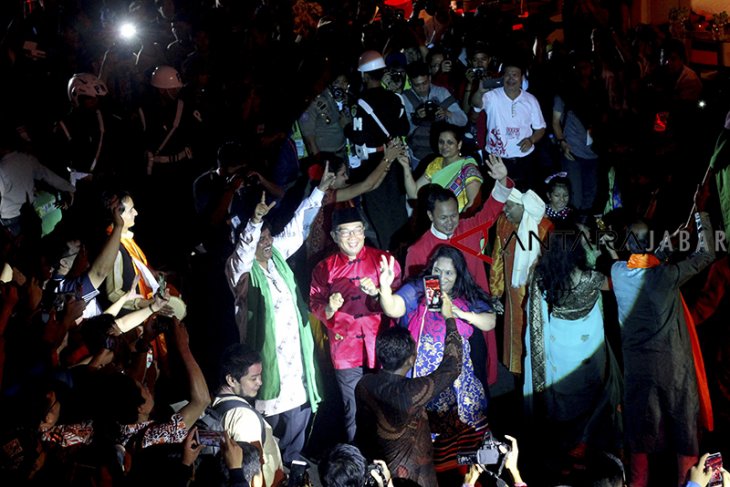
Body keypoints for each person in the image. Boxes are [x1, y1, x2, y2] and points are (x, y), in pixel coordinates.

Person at [225, 167, 335, 465]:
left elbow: (299, 226)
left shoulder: (276, 256)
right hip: (266, 367)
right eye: (259, 237)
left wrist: (320, 190)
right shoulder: (240, 271)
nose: (266, 241)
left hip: (294, 367)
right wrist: (255, 222)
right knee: (270, 442)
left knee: (298, 430)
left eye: (268, 235)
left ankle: (294, 470)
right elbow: (245, 252)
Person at [611, 211, 715, 487]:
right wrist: (701, 219)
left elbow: (645, 259)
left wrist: (661, 249)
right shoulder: (667, 275)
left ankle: (636, 483)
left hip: (638, 368)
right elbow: (706, 255)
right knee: (683, 420)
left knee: (639, 428)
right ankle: (687, 481)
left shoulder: (617, 273)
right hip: (673, 365)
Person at [376, 246, 495, 475]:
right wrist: (384, 287)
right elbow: (393, 308)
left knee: (464, 433)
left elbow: (489, 322)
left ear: (459, 275)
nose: (441, 277)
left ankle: (466, 475)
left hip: (458, 379)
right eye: (437, 270)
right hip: (424, 377)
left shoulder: (467, 295)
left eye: (449, 273)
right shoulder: (419, 289)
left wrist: (458, 314)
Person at [524, 225, 622, 479]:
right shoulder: (591, 278)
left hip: (559, 346)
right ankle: (586, 452)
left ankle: (565, 456)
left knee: (564, 402)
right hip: (589, 346)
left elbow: (535, 320)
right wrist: (611, 255)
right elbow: (618, 285)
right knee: (592, 400)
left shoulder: (542, 276)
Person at [405, 155, 511, 386]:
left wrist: (502, 180)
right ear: (430, 216)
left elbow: (491, 212)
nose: (451, 222)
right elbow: (413, 297)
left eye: (454, 215)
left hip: (476, 316)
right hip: (440, 327)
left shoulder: (468, 228)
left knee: (479, 373)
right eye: (443, 217)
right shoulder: (419, 250)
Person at [310, 207, 402, 442]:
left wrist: (380, 293)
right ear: (334, 236)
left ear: (364, 232)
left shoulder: (384, 261)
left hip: (381, 346)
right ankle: (358, 461)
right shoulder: (324, 268)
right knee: (353, 410)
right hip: (345, 350)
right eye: (345, 232)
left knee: (388, 404)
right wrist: (330, 307)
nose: (353, 237)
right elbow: (315, 303)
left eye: (357, 231)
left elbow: (401, 300)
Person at [355, 292, 463, 486]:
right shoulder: (411, 392)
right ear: (411, 359)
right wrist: (449, 319)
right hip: (412, 477)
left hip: (375, 471)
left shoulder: (364, 384)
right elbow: (452, 366)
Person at [346, 50, 410, 249]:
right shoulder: (395, 99)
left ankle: (388, 255)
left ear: (364, 75)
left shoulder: (360, 103)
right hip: (396, 161)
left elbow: (358, 136)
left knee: (380, 215)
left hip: (373, 165)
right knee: (399, 211)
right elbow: (404, 128)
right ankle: (403, 253)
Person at [490, 189, 553, 375]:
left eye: (509, 206)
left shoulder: (545, 228)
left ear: (522, 206)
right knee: (514, 331)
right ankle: (517, 370)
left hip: (537, 295)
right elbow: (497, 259)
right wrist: (495, 293)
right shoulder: (503, 222)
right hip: (512, 293)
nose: (505, 211)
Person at [213, 344, 285, 487]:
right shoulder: (244, 418)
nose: (260, 382)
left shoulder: (215, 403)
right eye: (253, 378)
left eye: (260, 376)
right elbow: (250, 472)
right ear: (231, 380)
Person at [471, 61, 546, 190]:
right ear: (502, 77)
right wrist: (480, 92)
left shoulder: (531, 100)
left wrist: (531, 140)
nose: (511, 78)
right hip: (495, 159)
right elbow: (475, 108)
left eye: (515, 75)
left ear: (522, 78)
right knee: (494, 198)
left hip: (523, 160)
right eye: (507, 75)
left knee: (521, 198)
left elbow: (540, 128)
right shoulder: (492, 96)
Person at [0, 132, 75, 237]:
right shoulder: (27, 159)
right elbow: (48, 175)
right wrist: (70, 188)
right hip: (30, 213)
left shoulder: (2, 169)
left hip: (11, 217)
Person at [401, 124, 483, 212]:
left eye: (450, 142)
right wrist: (406, 166)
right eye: (441, 142)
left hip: (458, 220)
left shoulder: (468, 167)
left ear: (459, 145)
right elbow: (413, 193)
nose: (444, 146)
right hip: (436, 219)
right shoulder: (436, 164)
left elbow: (473, 204)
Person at [401, 62, 467, 165]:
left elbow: (463, 120)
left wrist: (447, 114)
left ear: (430, 78)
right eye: (417, 85)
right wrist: (416, 118)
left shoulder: (442, 93)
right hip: (418, 155)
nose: (422, 88)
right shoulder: (405, 98)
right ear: (410, 82)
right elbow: (405, 132)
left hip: (443, 155)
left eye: (425, 83)